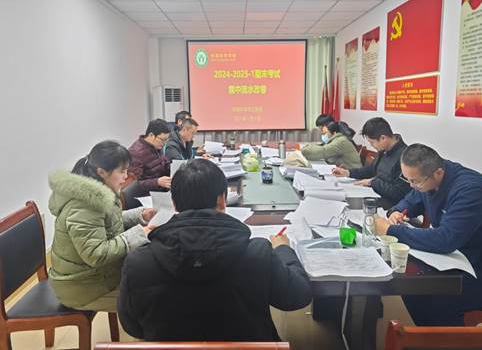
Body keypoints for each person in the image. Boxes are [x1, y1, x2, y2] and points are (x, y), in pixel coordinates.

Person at [118, 159, 312, 341]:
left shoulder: (138, 262)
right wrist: (283, 249)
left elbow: (132, 326)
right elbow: (297, 296)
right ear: (222, 200)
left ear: (175, 204)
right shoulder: (257, 253)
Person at [374, 143, 482, 326]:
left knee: (434, 296)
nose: (412, 186)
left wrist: (390, 231)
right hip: (463, 259)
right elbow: (411, 200)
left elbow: (445, 240)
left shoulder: (470, 190)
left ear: (438, 172)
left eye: (415, 181)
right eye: (408, 180)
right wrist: (396, 211)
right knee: (414, 288)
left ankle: (447, 338)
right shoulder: (428, 180)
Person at [48, 140, 155, 311]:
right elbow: (95, 254)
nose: (126, 176)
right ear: (101, 172)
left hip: (96, 276)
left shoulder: (99, 191)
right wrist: (139, 233)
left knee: (152, 280)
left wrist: (141, 216)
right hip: (82, 287)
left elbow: (107, 222)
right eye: (122, 171)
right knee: (152, 300)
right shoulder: (84, 205)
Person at [332, 117, 410, 205]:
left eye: (372, 142)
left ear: (383, 138)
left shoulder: (405, 157)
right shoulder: (384, 150)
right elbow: (371, 169)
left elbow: (399, 193)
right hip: (374, 195)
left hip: (390, 205)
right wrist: (348, 172)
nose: (371, 145)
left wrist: (372, 183)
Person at [128, 119, 171, 194]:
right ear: (151, 135)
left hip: (159, 192)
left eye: (166, 140)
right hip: (146, 196)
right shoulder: (136, 153)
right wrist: (157, 182)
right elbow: (133, 185)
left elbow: (164, 163)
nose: (164, 143)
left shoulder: (156, 146)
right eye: (162, 140)